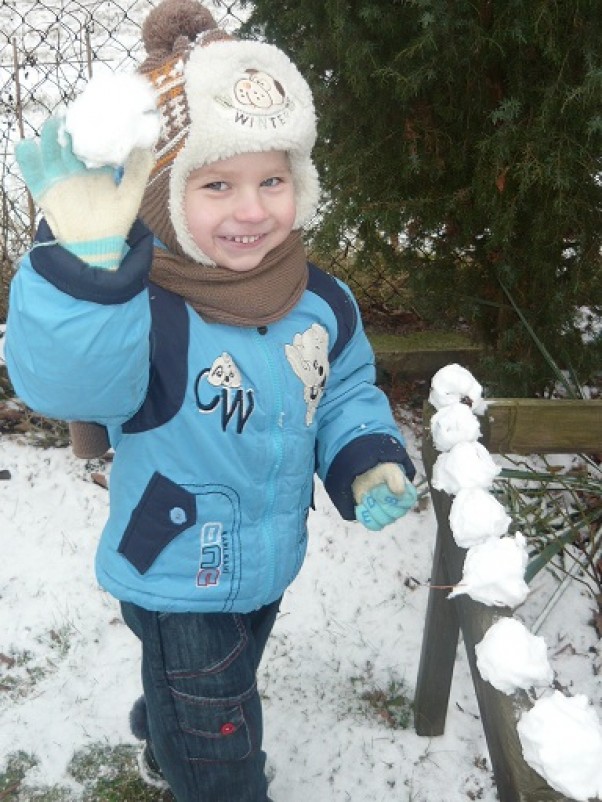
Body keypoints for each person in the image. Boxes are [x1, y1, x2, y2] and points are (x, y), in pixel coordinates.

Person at [6, 1, 418, 800]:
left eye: (273, 179)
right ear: (162, 197)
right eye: (217, 184)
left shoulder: (318, 300)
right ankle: (197, 757)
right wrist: (88, 278)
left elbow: (344, 391)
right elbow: (67, 382)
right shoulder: (146, 311)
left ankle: (167, 723)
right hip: (176, 570)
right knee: (224, 753)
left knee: (220, 677)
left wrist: (367, 457)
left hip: (267, 560)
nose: (252, 208)